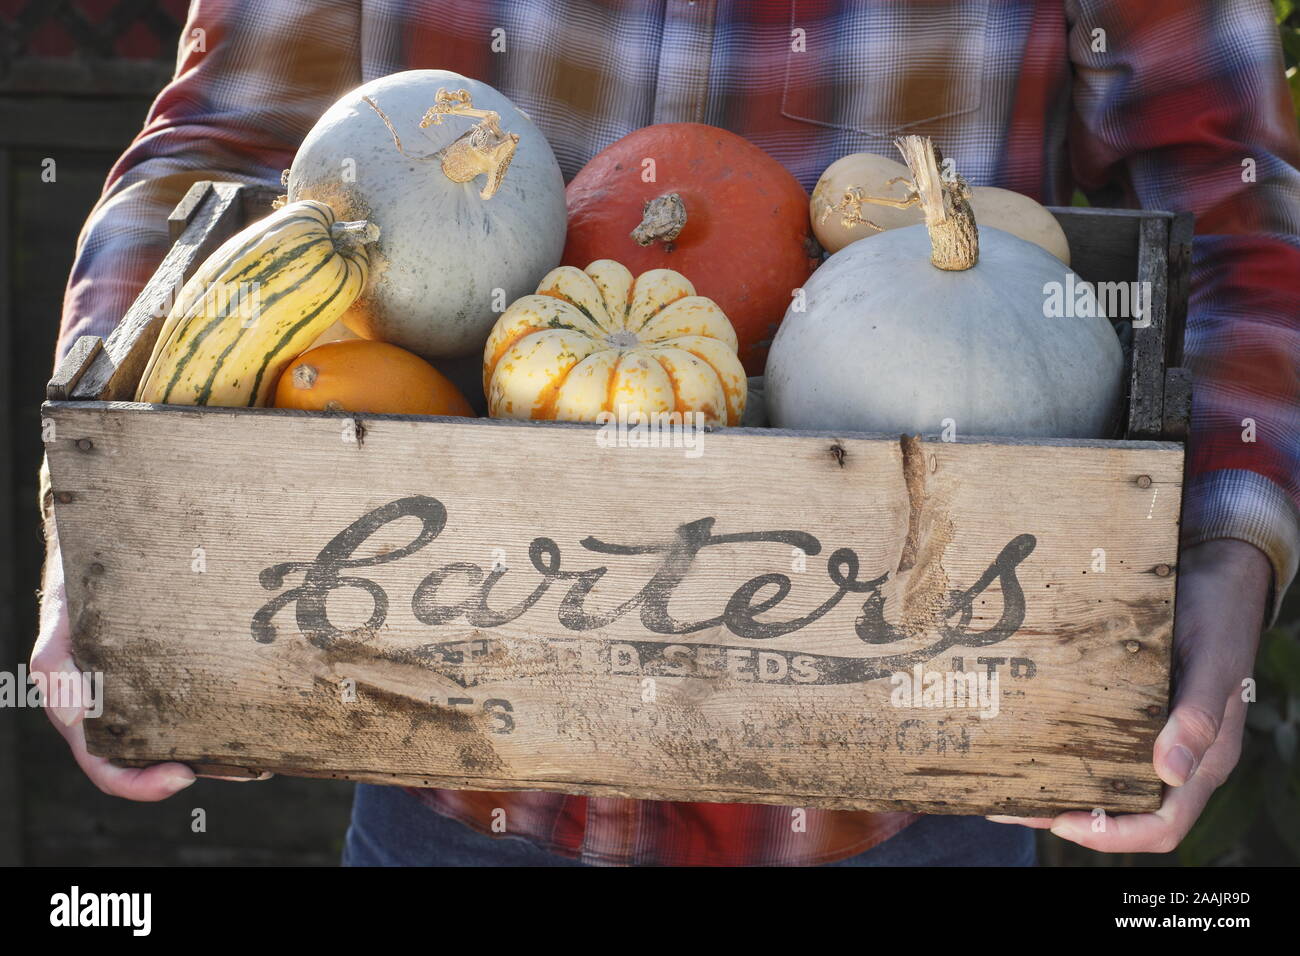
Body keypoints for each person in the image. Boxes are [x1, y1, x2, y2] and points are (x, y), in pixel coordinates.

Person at [34, 0, 1298, 866]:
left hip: (911, 786)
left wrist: (1227, 545)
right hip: (455, 781)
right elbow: (231, 150)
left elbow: (1228, 201)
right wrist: (97, 496)